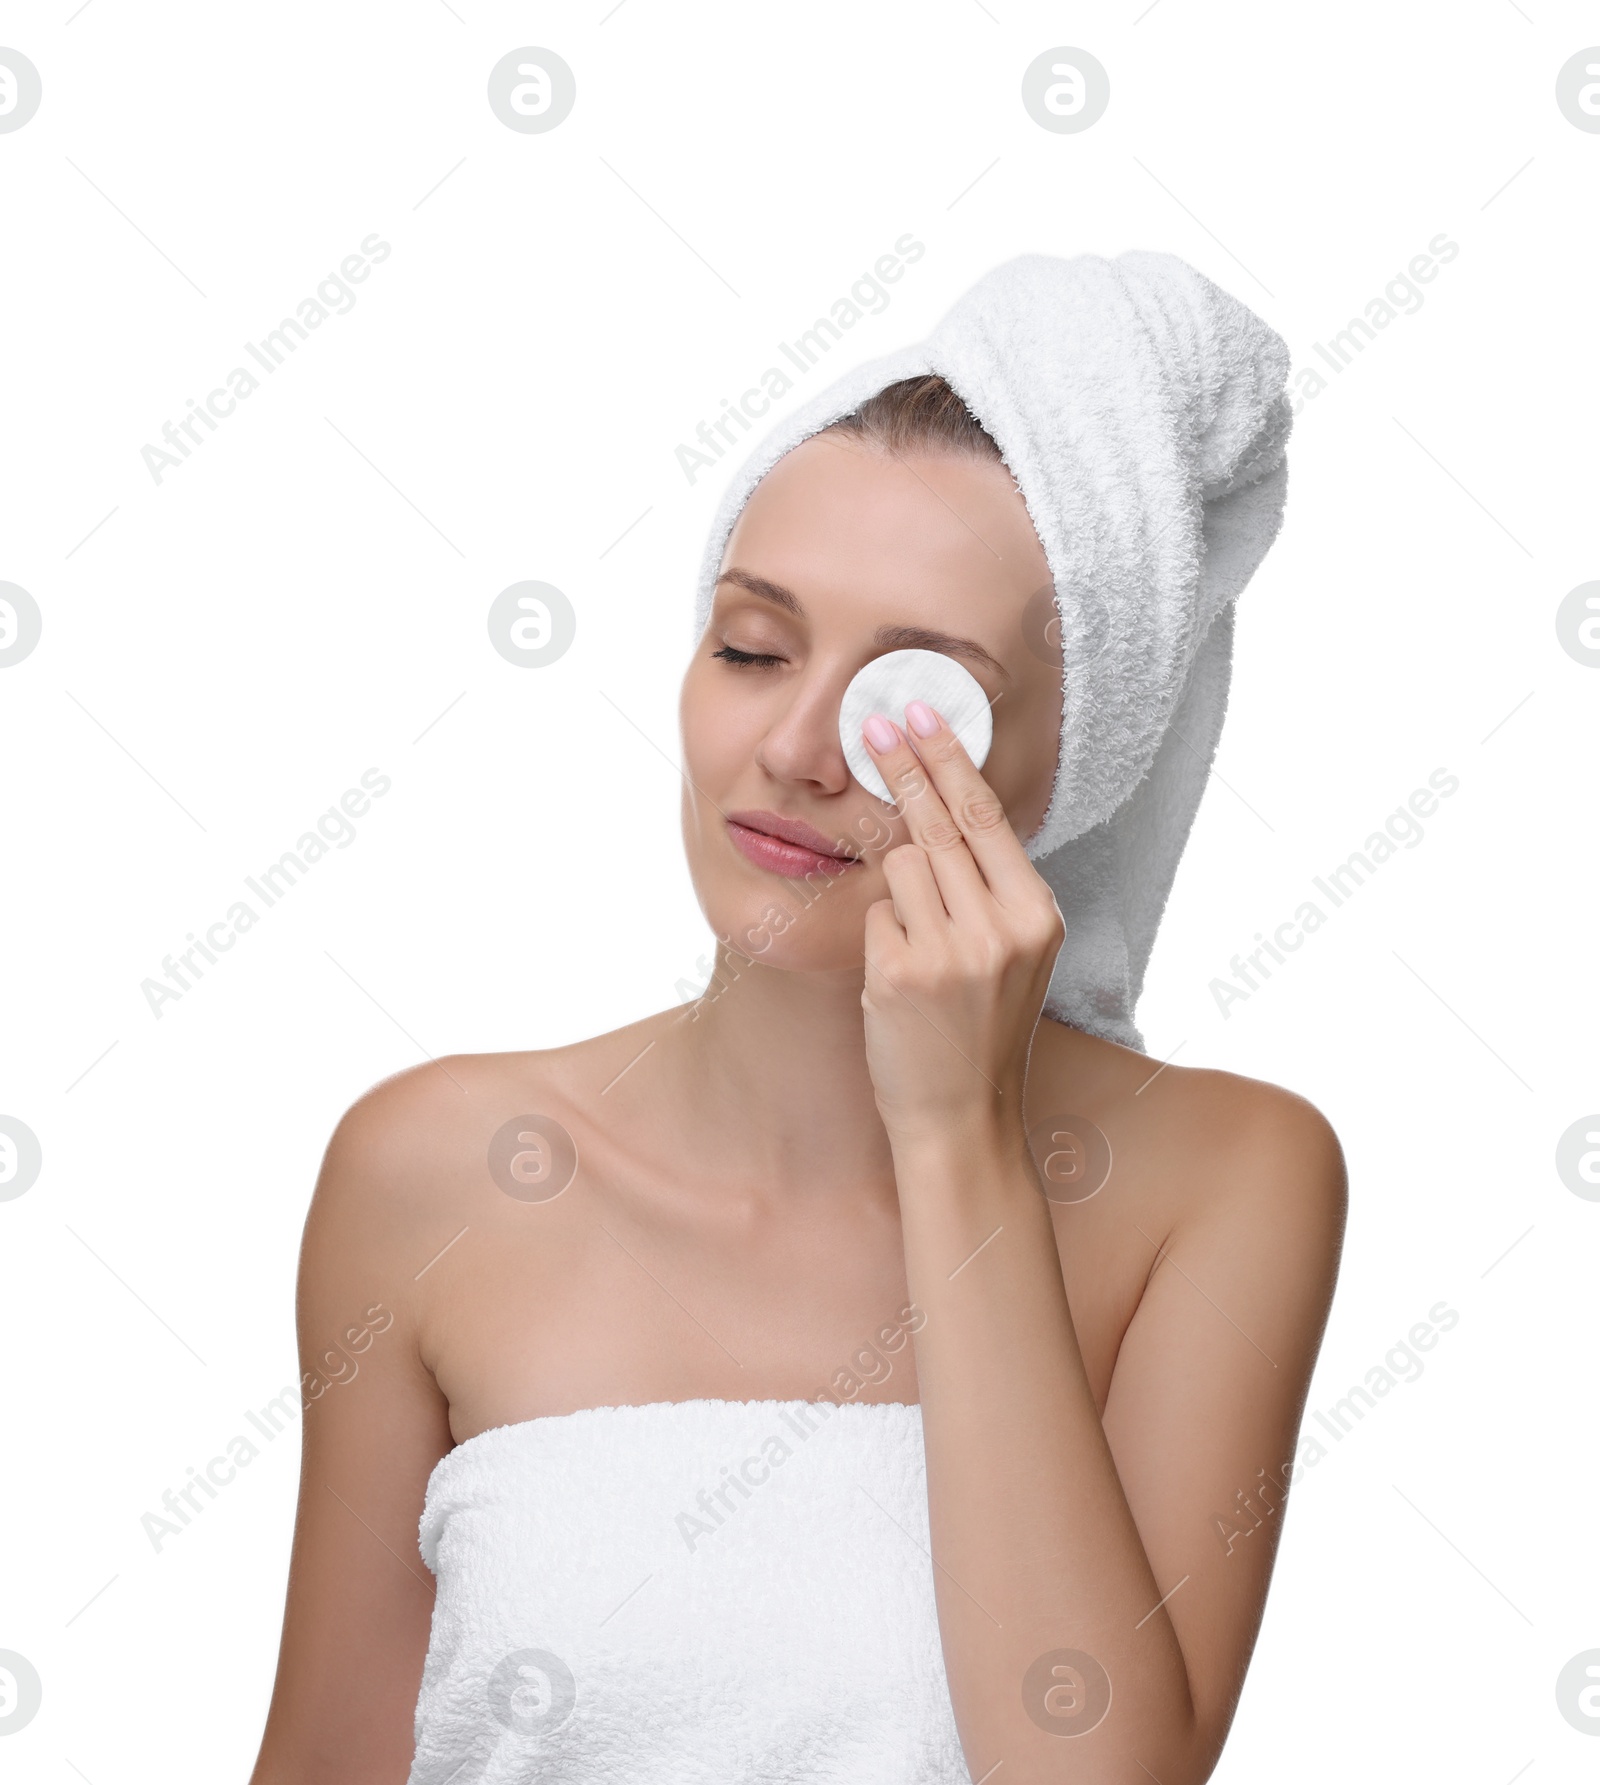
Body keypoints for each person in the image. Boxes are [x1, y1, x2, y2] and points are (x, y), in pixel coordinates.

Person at [248, 257, 1346, 1785]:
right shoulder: (434, 1169)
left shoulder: (1228, 1179)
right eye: (753, 648)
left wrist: (957, 1138)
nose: (793, 746)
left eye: (916, 707)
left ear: (1070, 762)